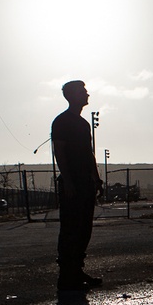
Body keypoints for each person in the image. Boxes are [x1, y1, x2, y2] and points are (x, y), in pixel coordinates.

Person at [52, 80, 104, 291]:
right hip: (72, 183)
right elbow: (60, 152)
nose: (87, 94)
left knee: (84, 228)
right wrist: (68, 181)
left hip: (85, 182)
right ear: (72, 96)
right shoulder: (62, 121)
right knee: (71, 228)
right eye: (83, 91)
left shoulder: (83, 124)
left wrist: (96, 178)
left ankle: (77, 271)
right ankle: (67, 275)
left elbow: (88, 153)